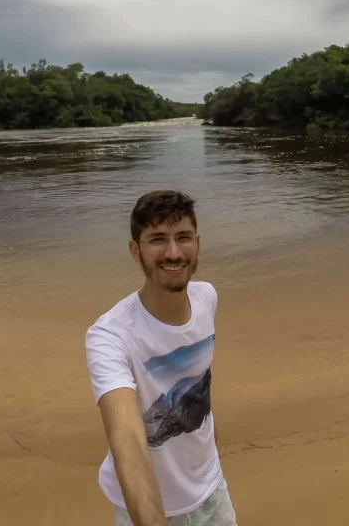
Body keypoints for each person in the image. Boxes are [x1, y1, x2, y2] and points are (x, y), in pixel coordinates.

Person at [86, 190, 238, 526]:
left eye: (183, 237)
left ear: (197, 243)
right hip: (147, 506)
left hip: (212, 490)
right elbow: (127, 439)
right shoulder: (110, 336)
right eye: (158, 239)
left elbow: (201, 389)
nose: (173, 252)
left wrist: (210, 457)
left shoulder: (207, 298)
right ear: (134, 250)